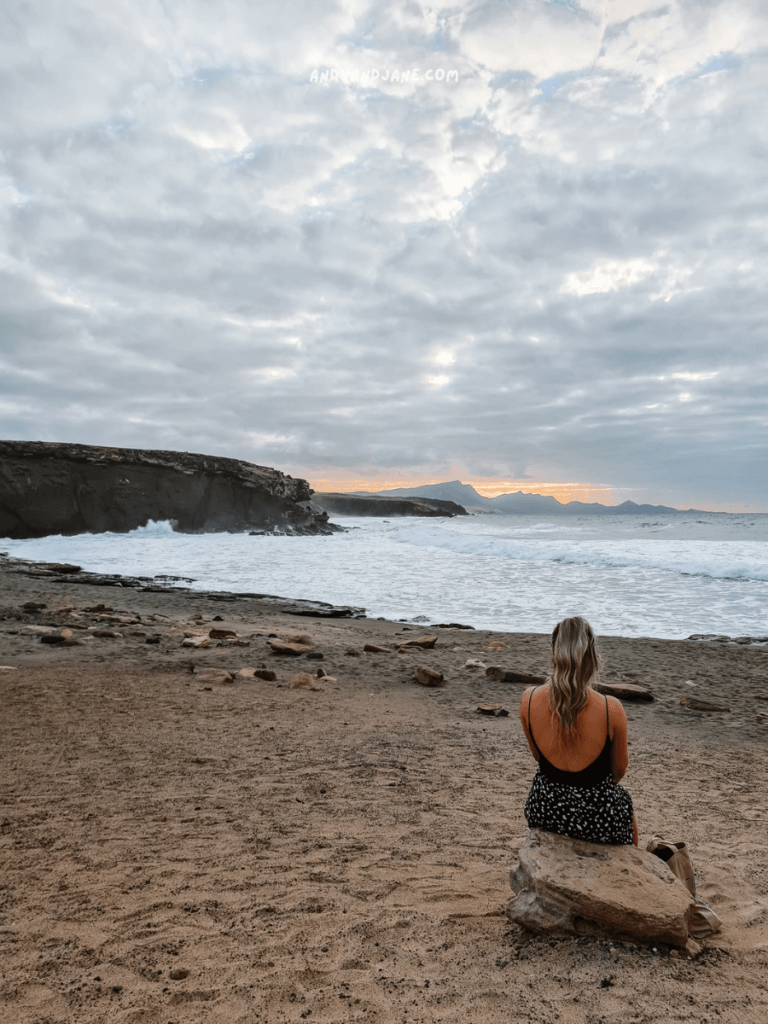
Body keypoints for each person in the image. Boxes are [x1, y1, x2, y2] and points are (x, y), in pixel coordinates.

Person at [520, 615, 637, 846]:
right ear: (592, 657)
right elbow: (618, 771)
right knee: (624, 801)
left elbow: (538, 757)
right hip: (598, 820)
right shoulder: (610, 709)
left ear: (554, 653)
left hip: (545, 810)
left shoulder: (529, 699)